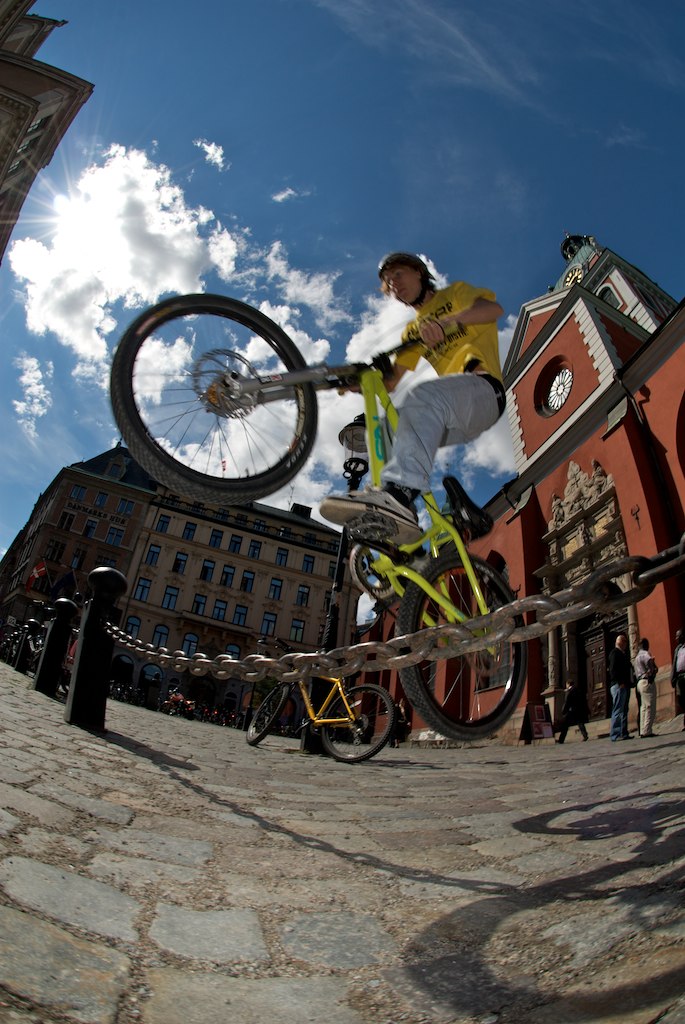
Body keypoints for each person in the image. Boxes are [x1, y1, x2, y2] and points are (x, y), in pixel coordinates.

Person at [320, 252, 505, 543]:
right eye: (388, 283)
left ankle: (401, 493)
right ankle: (403, 525)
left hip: (484, 391)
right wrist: (356, 383)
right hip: (452, 415)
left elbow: (492, 309)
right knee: (386, 427)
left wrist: (447, 323)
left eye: (398, 275)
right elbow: (392, 381)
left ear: (419, 272)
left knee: (422, 397)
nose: (394, 285)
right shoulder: (413, 331)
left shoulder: (454, 294)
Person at [608, 633, 633, 742]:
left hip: (624, 685)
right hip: (618, 685)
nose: (626, 645)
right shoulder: (615, 653)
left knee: (624, 710)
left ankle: (624, 732)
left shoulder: (622, 654)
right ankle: (615, 734)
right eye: (625, 642)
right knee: (618, 710)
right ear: (621, 642)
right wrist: (620, 682)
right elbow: (613, 670)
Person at [633, 637, 658, 738]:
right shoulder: (646, 654)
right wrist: (654, 671)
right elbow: (651, 668)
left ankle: (643, 730)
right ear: (646, 645)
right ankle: (647, 730)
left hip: (639, 682)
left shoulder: (637, 657)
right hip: (646, 681)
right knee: (649, 707)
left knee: (643, 707)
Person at [671, 628, 685, 730]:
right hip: (679, 678)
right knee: (681, 700)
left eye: (678, 636)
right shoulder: (677, 649)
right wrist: (673, 677)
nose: (676, 638)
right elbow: (674, 663)